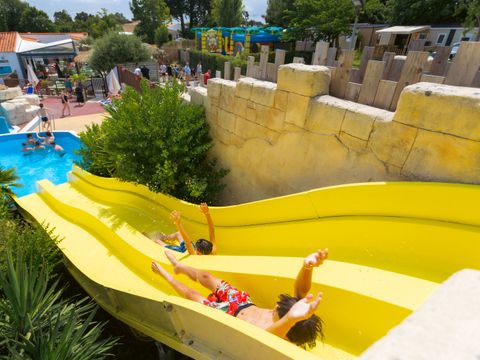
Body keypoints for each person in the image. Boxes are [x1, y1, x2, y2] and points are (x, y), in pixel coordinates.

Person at [151, 248, 328, 349]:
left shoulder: (280, 335)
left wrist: (290, 319)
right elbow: (300, 290)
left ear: (287, 325)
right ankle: (179, 267)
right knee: (206, 277)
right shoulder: (294, 313)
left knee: (193, 296)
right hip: (241, 303)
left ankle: (165, 275)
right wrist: (307, 267)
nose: (274, 306)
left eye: (277, 311)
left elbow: (269, 336)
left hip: (227, 315)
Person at [147, 203, 217, 255]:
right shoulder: (212, 251)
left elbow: (187, 242)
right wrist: (207, 213)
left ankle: (154, 238)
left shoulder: (194, 255)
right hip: (188, 247)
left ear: (199, 252)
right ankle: (163, 237)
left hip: (182, 252)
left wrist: (178, 223)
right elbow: (212, 231)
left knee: (157, 241)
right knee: (178, 233)